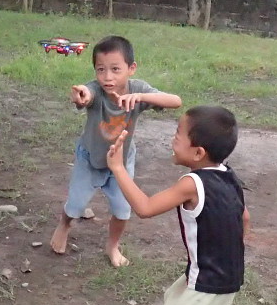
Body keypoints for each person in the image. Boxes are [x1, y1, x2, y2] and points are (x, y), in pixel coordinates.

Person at [106, 106, 250, 305]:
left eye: (178, 134)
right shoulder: (229, 175)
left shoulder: (191, 183)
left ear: (198, 152)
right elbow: (244, 217)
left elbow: (144, 208)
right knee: (177, 304)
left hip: (209, 277)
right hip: (224, 272)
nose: (172, 139)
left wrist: (117, 168)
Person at [50, 35, 182, 267]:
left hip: (120, 163)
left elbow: (175, 101)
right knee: (76, 205)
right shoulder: (96, 90)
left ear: (131, 68)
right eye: (100, 69)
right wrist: (81, 95)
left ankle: (112, 246)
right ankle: (64, 225)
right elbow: (86, 95)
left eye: (115, 69)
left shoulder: (138, 90)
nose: (107, 77)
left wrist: (140, 97)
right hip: (90, 159)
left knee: (122, 210)